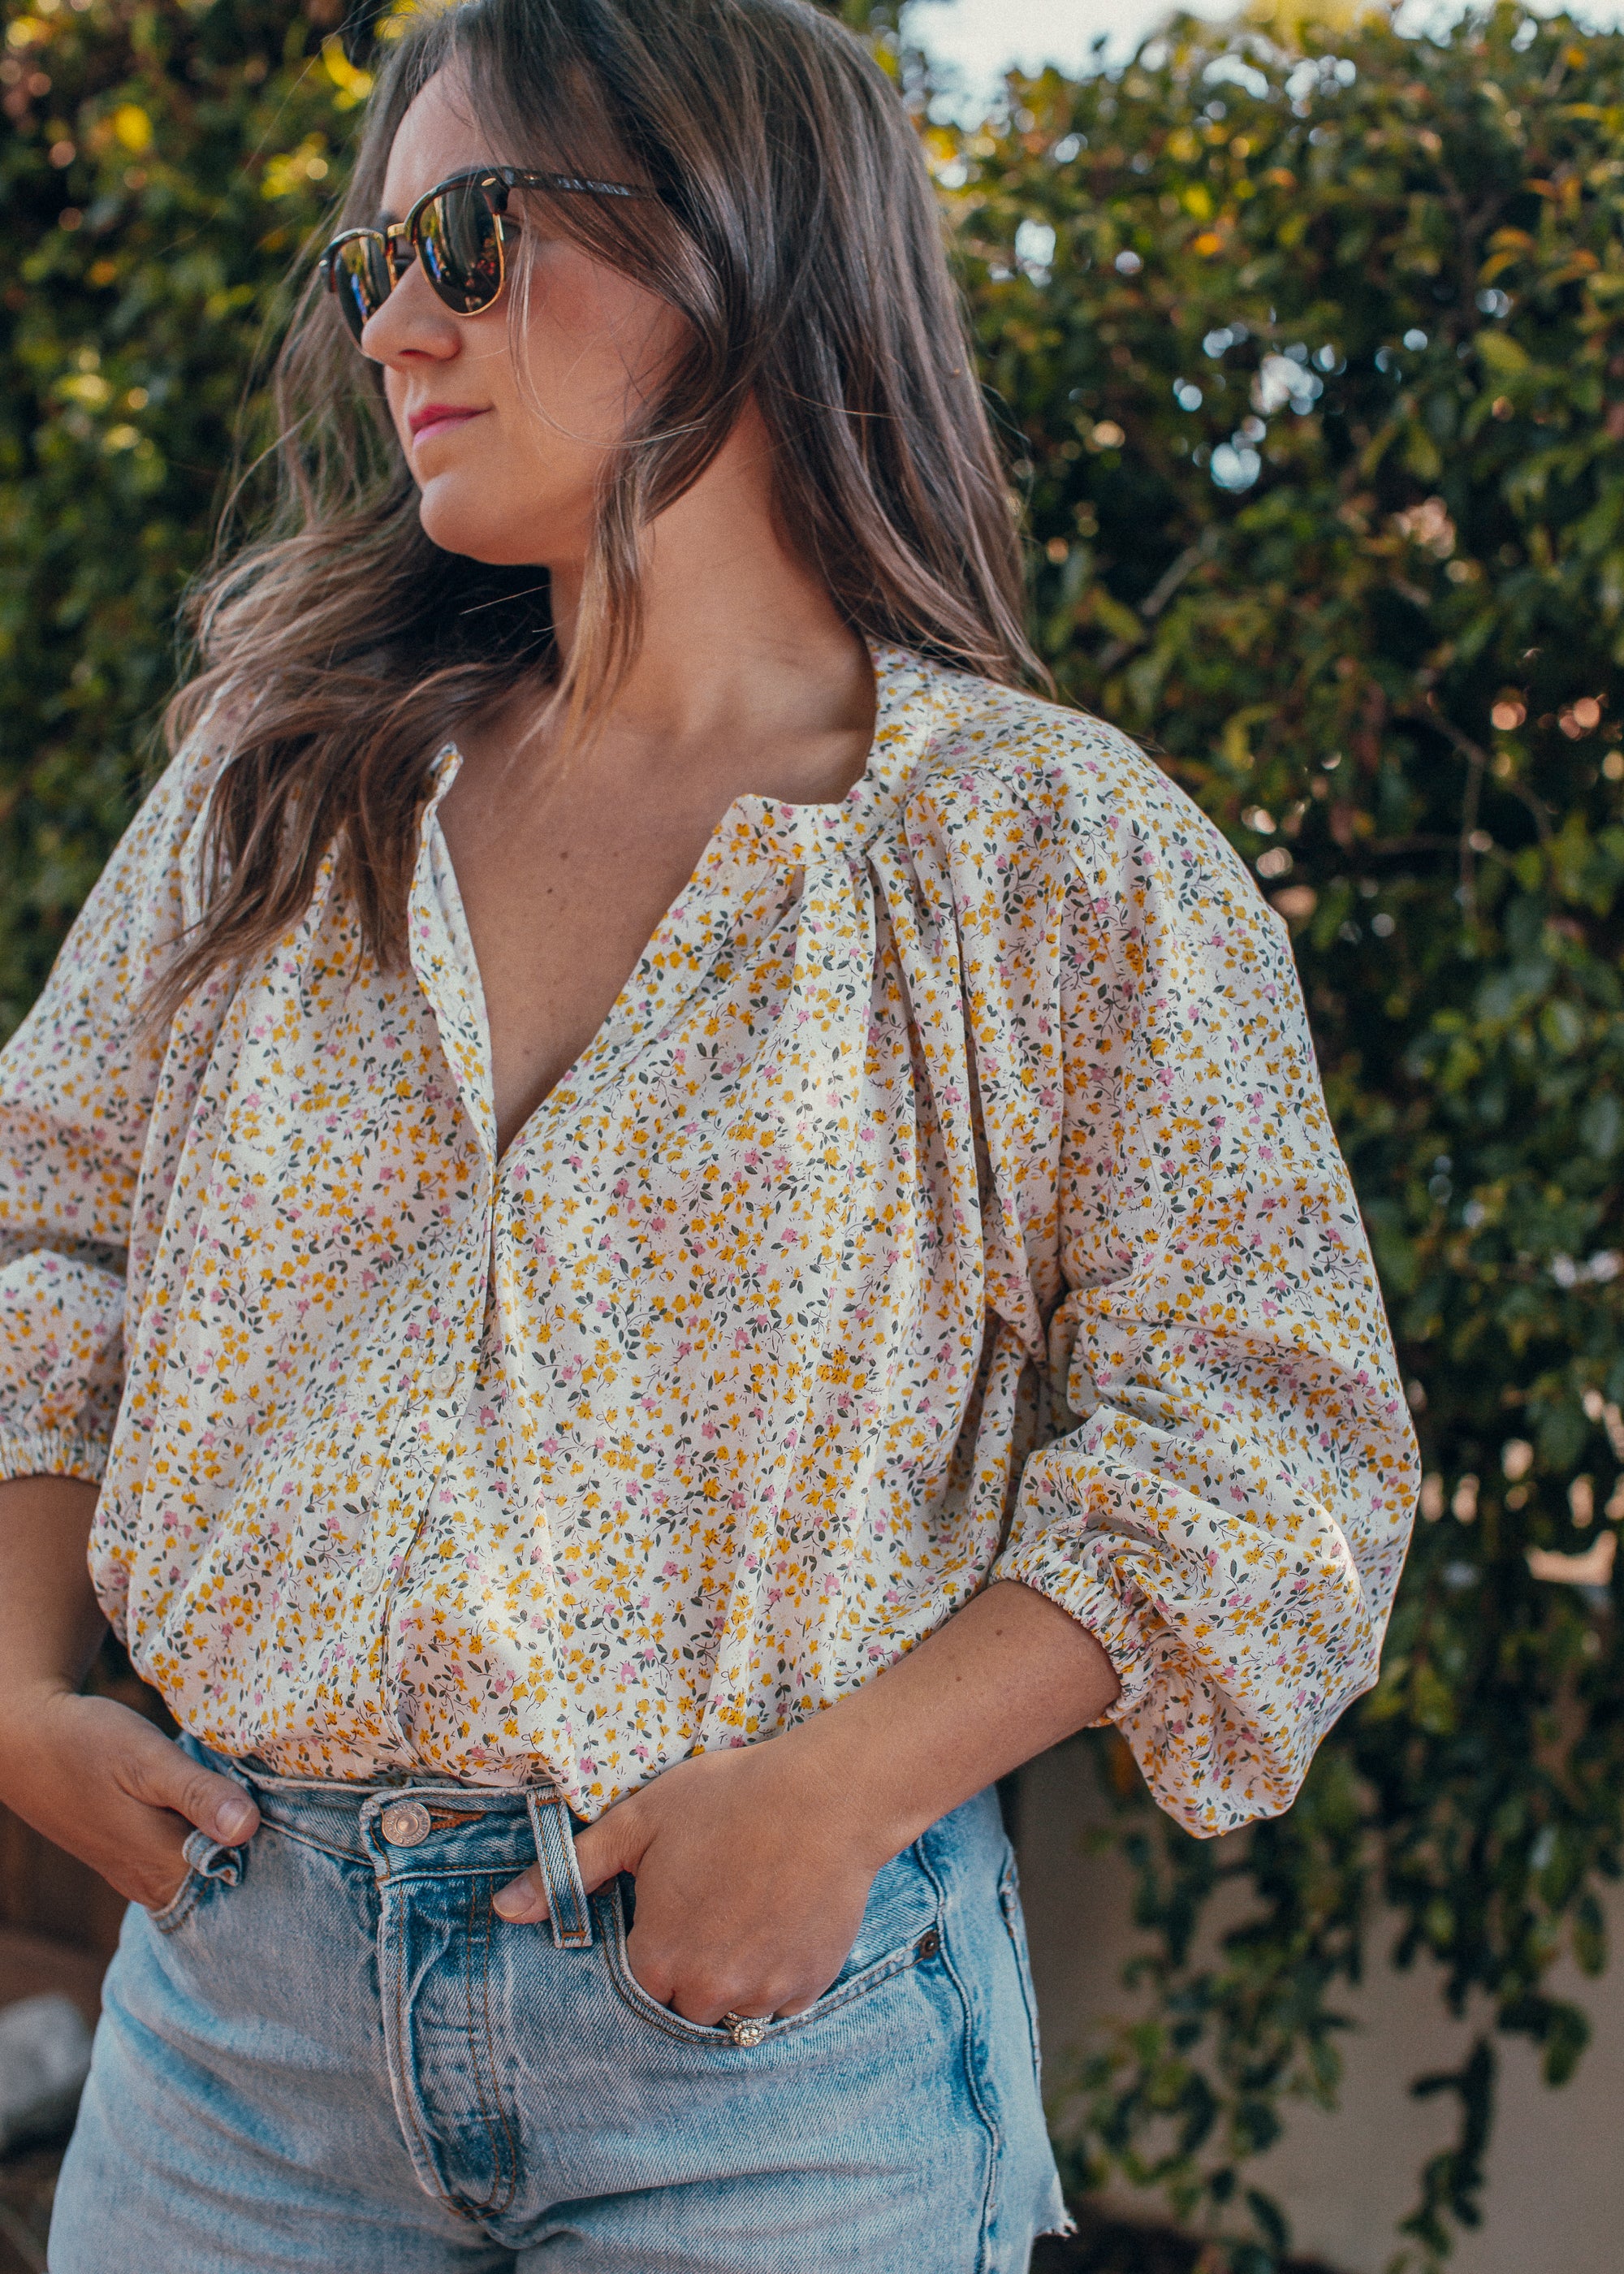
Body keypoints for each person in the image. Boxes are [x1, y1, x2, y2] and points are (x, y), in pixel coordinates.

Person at [0, 2, 1419, 2268]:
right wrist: (10, 1681)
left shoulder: (1043, 856)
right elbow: (49, 1234)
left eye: (469, 240)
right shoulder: (283, 787)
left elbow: (1274, 1439)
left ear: (744, 246)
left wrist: (846, 1793)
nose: (390, 327)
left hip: (769, 2063)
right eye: (372, 261)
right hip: (232, 2042)